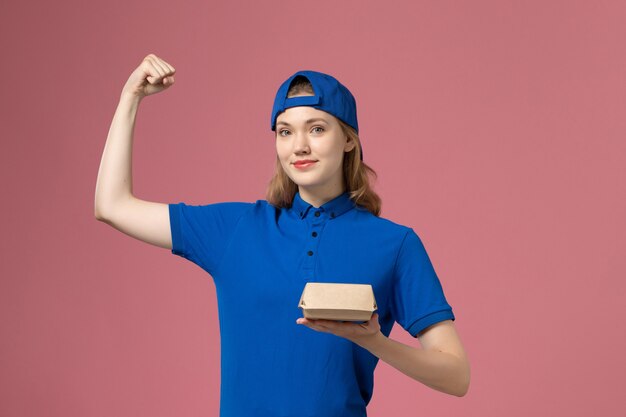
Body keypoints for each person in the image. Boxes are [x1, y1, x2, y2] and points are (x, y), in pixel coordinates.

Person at [95, 53, 470, 417]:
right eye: (285, 132)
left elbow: (456, 375)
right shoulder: (237, 229)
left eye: (317, 129)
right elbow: (112, 205)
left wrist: (374, 342)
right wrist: (130, 97)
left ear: (349, 139)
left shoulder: (395, 245)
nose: (299, 146)